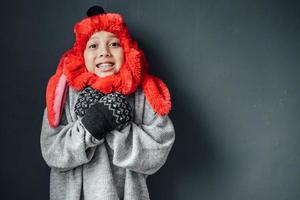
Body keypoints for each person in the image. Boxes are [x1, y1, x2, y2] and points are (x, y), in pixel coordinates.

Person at [40, 5, 175, 200]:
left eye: (114, 44)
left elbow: (159, 147)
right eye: (93, 46)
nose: (104, 52)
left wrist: (119, 128)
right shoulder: (66, 94)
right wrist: (91, 124)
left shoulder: (141, 95)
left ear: (127, 50)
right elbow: (52, 151)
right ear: (81, 54)